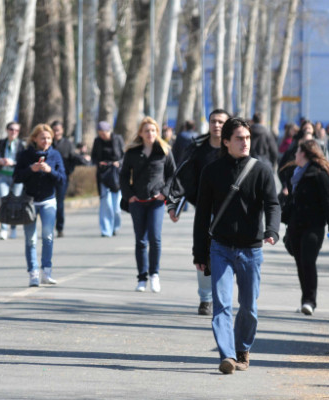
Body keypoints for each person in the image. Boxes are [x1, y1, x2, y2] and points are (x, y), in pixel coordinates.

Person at [193, 117, 280, 374]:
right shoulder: (212, 171)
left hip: (251, 250)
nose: (245, 143)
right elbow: (202, 216)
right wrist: (200, 252)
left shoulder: (261, 170)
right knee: (221, 304)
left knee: (249, 307)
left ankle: (242, 348)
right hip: (220, 248)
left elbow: (272, 204)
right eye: (239, 138)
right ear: (227, 141)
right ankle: (228, 355)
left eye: (248, 138)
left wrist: (272, 230)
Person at [167, 108, 230, 315]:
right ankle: (206, 299)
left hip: (231, 212)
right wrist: (174, 204)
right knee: (202, 254)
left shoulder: (236, 147)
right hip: (204, 210)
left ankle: (223, 296)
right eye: (213, 121)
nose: (217, 125)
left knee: (229, 256)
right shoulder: (198, 148)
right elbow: (183, 176)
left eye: (221, 122)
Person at [120, 117, 176, 293]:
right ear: (140, 133)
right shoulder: (132, 152)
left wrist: (165, 193)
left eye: (153, 130)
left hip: (156, 202)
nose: (150, 133)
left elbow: (172, 175)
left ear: (157, 133)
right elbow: (122, 176)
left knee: (155, 238)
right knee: (141, 240)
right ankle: (142, 278)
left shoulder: (164, 151)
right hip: (138, 202)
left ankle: (154, 275)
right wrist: (129, 195)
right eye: (146, 131)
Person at [286, 140, 329, 316]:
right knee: (300, 263)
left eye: (297, 151)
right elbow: (292, 200)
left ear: (305, 154)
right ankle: (305, 300)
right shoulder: (294, 174)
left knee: (308, 262)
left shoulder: (319, 174)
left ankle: (310, 301)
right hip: (295, 225)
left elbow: (327, 202)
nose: (294, 155)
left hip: (314, 227)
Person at [13, 124, 66, 287]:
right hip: (29, 202)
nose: (46, 141)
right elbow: (16, 177)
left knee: (48, 237)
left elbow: (62, 179)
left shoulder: (55, 155)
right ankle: (33, 273)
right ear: (35, 139)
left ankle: (46, 272)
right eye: (43, 138)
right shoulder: (25, 155)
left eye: (49, 138)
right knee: (30, 240)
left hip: (48, 201)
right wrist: (31, 169)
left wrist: (50, 170)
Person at [0, 121, 26, 240]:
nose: (13, 132)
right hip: (3, 176)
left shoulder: (22, 144)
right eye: (11, 129)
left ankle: (13, 228)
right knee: (4, 202)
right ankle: (3, 229)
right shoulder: (1, 143)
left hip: (17, 177)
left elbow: (25, 161)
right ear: (7, 130)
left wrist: (13, 163)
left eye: (16, 130)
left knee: (15, 203)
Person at [91, 121, 125, 237]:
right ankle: (106, 230)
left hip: (116, 175)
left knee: (116, 207)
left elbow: (124, 156)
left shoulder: (118, 139)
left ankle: (115, 227)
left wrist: (118, 163)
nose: (102, 136)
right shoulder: (97, 141)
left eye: (104, 133)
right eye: (100, 134)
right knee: (106, 204)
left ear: (109, 131)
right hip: (103, 175)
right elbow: (93, 157)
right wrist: (99, 163)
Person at [50, 121, 78, 238]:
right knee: (49, 203)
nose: (56, 132)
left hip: (62, 177)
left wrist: (70, 170)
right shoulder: (48, 142)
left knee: (59, 203)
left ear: (62, 130)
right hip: (48, 177)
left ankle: (60, 228)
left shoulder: (67, 143)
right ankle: (49, 227)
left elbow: (73, 158)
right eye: (54, 130)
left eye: (58, 130)